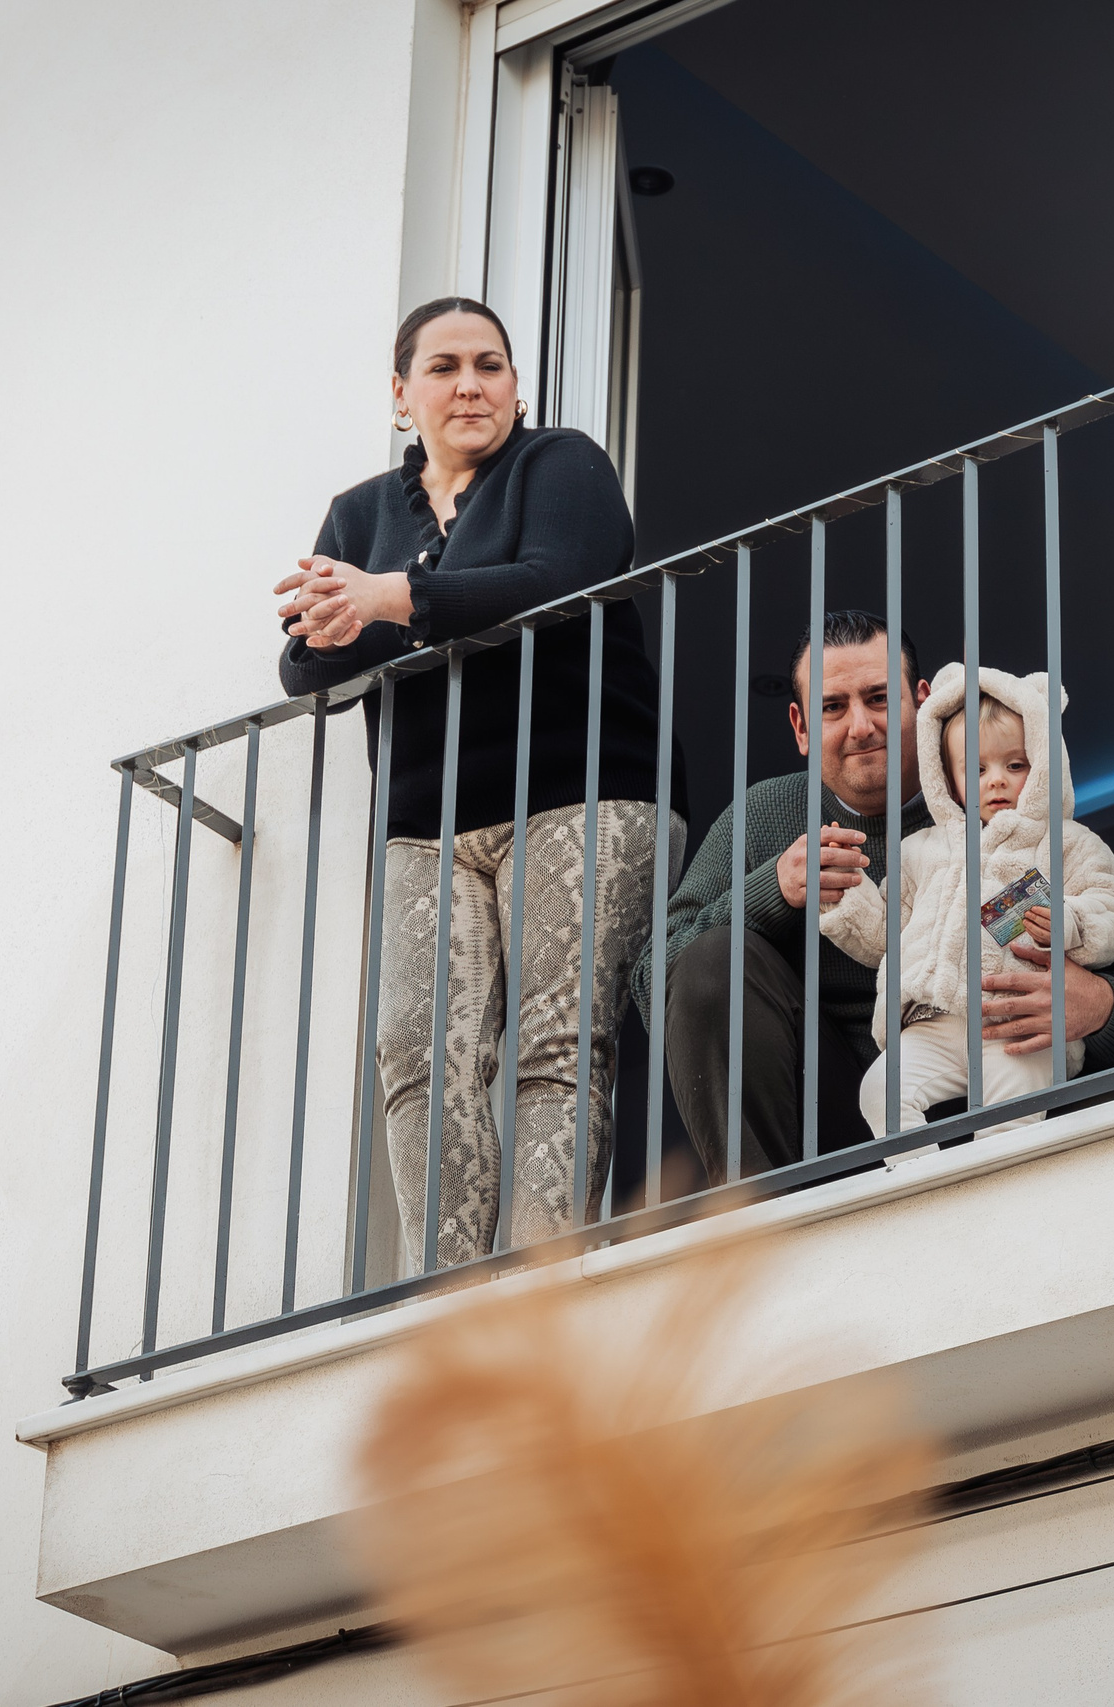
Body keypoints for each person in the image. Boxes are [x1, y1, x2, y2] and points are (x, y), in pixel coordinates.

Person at [276, 296, 680, 1272]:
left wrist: (392, 598)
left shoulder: (562, 464)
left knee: (557, 1041)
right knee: (415, 1057)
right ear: (401, 394)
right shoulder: (361, 514)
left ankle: (541, 1287)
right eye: (446, 366)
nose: (470, 385)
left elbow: (556, 576)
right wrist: (365, 613)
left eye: (490, 365)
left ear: (515, 385)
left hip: (580, 788)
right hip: (426, 819)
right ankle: (448, 1300)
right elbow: (302, 665)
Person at [630, 611, 1114, 1181]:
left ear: (921, 703)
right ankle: (759, 1216)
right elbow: (657, 984)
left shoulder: (1015, 815)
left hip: (992, 1090)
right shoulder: (763, 816)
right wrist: (773, 890)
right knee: (712, 954)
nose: (860, 726)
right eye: (832, 707)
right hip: (821, 1118)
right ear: (801, 726)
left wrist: (1098, 1005)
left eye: (878, 698)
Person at [820, 666, 1114, 1134]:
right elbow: (886, 934)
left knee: (1006, 1127)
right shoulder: (919, 851)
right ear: (947, 777)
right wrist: (844, 890)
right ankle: (918, 1173)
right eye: (977, 769)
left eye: (1016, 765)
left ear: (1044, 763)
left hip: (1022, 1024)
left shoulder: (1069, 842)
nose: (997, 781)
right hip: (932, 1022)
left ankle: (998, 1181)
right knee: (881, 1092)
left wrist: (1070, 921)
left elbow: (1113, 907)